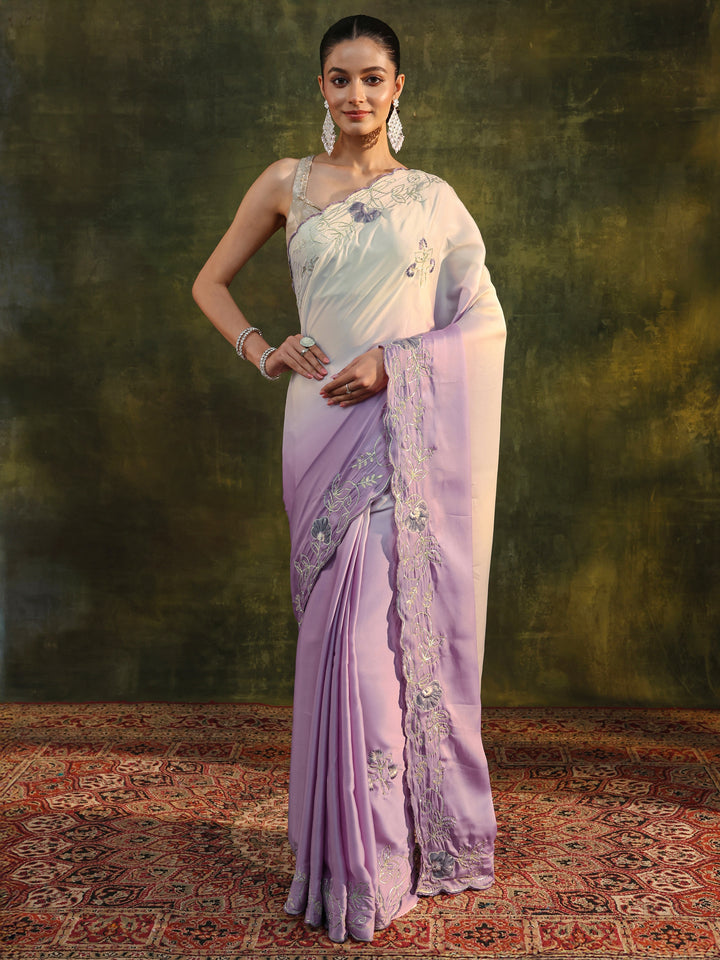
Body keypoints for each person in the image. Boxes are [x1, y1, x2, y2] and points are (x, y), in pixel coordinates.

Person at [192, 14, 506, 943]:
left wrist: (392, 363)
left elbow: (483, 324)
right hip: (316, 425)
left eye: (373, 79)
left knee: (373, 644)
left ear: (399, 88)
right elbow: (208, 283)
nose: (357, 95)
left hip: (398, 433)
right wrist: (265, 349)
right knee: (331, 639)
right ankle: (334, 858)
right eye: (340, 78)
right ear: (320, 88)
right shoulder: (285, 183)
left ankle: (382, 857)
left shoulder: (434, 199)